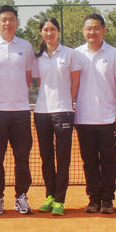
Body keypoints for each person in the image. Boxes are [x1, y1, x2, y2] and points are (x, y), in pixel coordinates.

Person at [0, 5, 35, 215]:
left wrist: (17, 97)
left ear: (17, 23)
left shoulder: (26, 47)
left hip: (21, 112)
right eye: (3, 20)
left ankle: (21, 197)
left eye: (11, 19)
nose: (7, 23)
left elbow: (28, 77)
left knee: (22, 157)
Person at [74, 13, 116, 215]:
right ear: (83, 31)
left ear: (103, 31)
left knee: (108, 161)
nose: (92, 32)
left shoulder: (115, 54)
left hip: (108, 119)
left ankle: (107, 199)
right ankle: (93, 199)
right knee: (89, 162)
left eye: (96, 28)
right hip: (83, 119)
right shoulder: (75, 54)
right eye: (88, 28)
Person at [33, 17, 80, 216]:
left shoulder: (70, 54)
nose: (49, 33)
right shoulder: (37, 57)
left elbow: (75, 83)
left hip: (63, 112)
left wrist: (67, 103)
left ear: (58, 31)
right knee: (46, 158)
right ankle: (50, 196)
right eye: (46, 30)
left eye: (53, 29)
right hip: (41, 113)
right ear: (41, 33)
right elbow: (40, 82)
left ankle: (60, 200)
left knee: (63, 158)